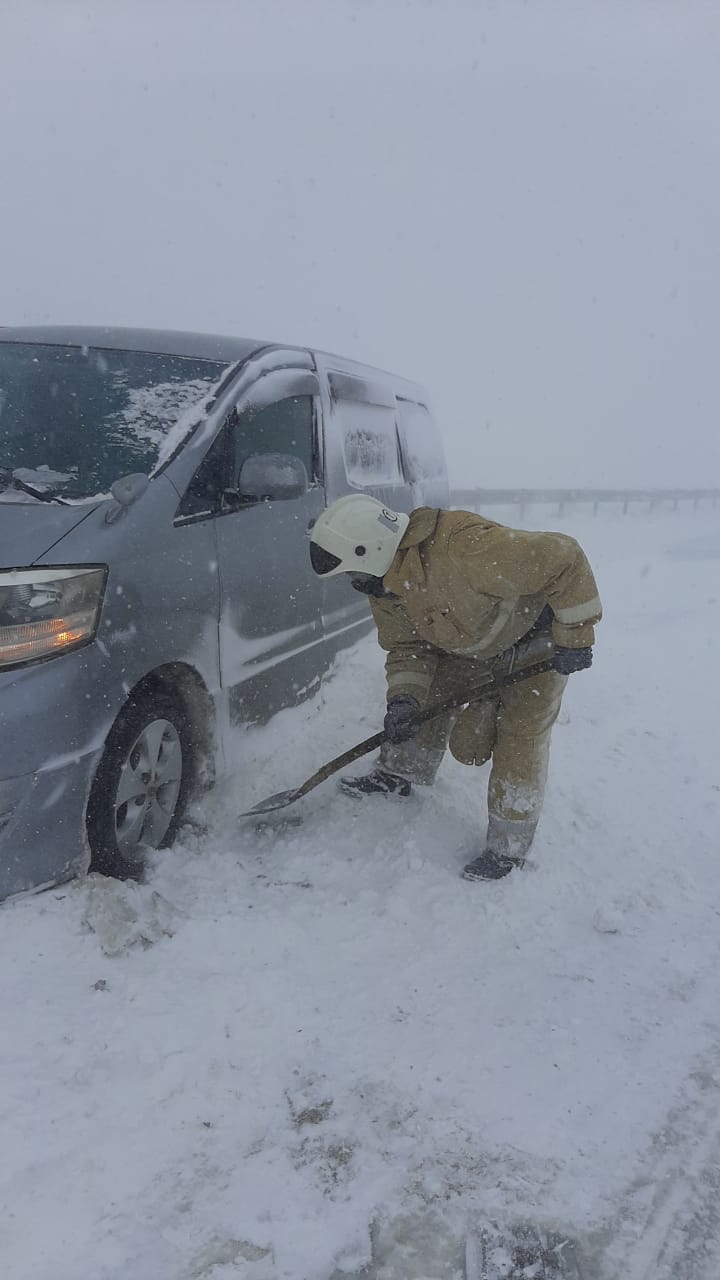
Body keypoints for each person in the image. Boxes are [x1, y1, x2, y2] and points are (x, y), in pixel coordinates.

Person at [309, 495, 601, 881]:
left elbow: (563, 557)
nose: (354, 584)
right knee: (423, 698)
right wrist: (403, 699)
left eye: (352, 574)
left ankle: (507, 849)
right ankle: (399, 773)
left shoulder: (465, 548)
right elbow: (407, 648)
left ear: (371, 551)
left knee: (519, 740)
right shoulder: (385, 586)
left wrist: (576, 636)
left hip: (536, 647)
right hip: (469, 646)